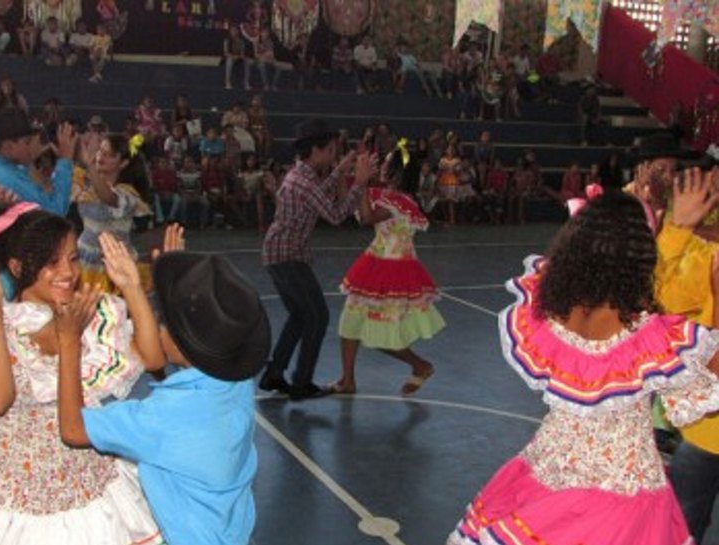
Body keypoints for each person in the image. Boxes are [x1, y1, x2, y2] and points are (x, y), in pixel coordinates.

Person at [446, 184, 719, 545]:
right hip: (621, 492)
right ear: (638, 259)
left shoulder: (547, 309)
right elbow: (701, 393)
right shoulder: (649, 336)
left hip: (548, 470)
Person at [0, 204, 167, 545]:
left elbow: (152, 358)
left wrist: (132, 288)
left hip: (94, 491)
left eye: (73, 258)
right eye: (52, 262)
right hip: (16, 504)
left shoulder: (92, 310)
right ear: (17, 267)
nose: (68, 272)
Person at [57, 245, 270, 545]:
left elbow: (73, 430)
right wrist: (171, 289)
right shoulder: (235, 382)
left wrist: (69, 342)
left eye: (165, 323)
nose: (157, 328)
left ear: (183, 343)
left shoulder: (162, 418)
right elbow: (184, 381)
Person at [259, 119, 377, 400]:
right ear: (316, 150)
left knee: (300, 316)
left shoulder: (303, 173)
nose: (333, 155)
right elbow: (336, 215)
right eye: (331, 151)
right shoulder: (303, 182)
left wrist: (343, 168)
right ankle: (301, 383)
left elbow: (322, 189)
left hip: (281, 253)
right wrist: (359, 183)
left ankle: (275, 373)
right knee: (317, 315)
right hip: (288, 256)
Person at [331, 150, 445, 395]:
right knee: (350, 323)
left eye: (386, 163)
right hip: (375, 264)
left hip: (393, 270)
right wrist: (343, 174)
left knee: (381, 335)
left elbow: (367, 218)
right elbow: (351, 202)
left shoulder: (402, 200)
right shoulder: (385, 195)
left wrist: (361, 184)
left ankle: (421, 365)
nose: (381, 166)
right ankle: (347, 380)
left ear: (398, 172)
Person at [654, 165, 719, 543]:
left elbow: (663, 301)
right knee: (682, 524)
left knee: (683, 523)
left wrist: (679, 228)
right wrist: (679, 228)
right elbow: (666, 300)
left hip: (706, 427)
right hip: (706, 429)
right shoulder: (704, 249)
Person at [74, 134, 152, 292]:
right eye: (101, 151)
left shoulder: (127, 193)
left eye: (110, 155)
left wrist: (90, 166)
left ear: (123, 163)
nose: (101, 157)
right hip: (83, 259)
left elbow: (108, 198)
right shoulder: (84, 183)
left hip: (115, 265)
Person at [0, 107, 77, 215]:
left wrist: (30, 160)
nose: (31, 146)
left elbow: (44, 192)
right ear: (8, 146)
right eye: (27, 142)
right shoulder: (7, 179)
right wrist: (65, 160)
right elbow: (55, 213)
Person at [248, 27, 280, 91]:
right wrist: (265, 54)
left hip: (268, 60)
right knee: (261, 64)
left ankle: (274, 85)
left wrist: (264, 55)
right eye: (263, 32)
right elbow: (256, 55)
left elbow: (271, 54)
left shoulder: (270, 42)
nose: (265, 34)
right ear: (260, 33)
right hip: (258, 60)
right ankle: (266, 85)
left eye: (266, 33)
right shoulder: (256, 41)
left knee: (279, 66)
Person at [223, 25, 247, 90]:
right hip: (230, 57)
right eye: (232, 30)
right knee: (229, 61)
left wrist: (238, 57)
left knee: (247, 62)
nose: (234, 32)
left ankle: (246, 82)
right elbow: (226, 53)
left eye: (235, 30)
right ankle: (227, 82)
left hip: (238, 58)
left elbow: (242, 53)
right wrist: (233, 56)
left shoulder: (241, 41)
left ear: (238, 31)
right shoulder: (227, 40)